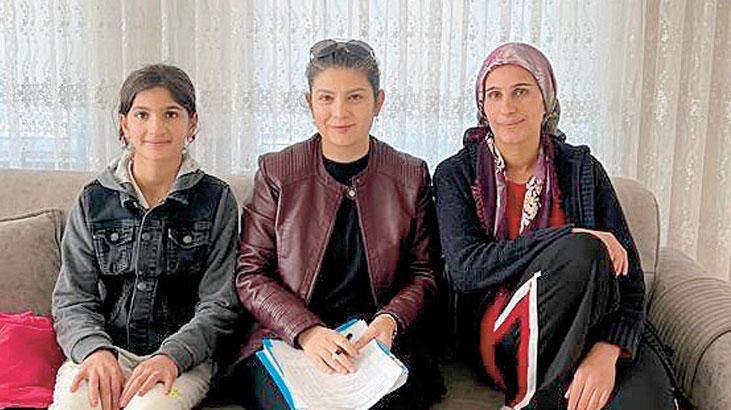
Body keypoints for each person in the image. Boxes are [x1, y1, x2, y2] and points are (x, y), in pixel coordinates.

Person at [433, 43, 677, 409]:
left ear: (546, 101)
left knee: (647, 402)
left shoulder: (581, 168)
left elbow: (629, 277)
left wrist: (607, 350)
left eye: (521, 92)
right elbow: (466, 270)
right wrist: (566, 236)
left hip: (592, 325)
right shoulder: (456, 173)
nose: (507, 107)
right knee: (583, 251)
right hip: (504, 334)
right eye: (494, 95)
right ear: (483, 107)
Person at [232, 39, 444, 409]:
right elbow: (251, 273)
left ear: (378, 102)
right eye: (326, 98)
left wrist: (390, 320)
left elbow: (424, 273)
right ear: (310, 103)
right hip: (290, 340)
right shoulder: (277, 171)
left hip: (374, 341)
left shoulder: (410, 176)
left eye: (355, 97)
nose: (340, 112)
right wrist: (307, 331)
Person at [50, 64, 243, 410]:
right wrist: (95, 351)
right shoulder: (93, 199)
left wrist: (171, 357)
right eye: (142, 114)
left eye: (171, 114)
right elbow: (72, 298)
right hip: (105, 351)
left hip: (183, 360)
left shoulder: (216, 200)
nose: (156, 127)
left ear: (192, 123)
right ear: (124, 124)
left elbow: (221, 303)